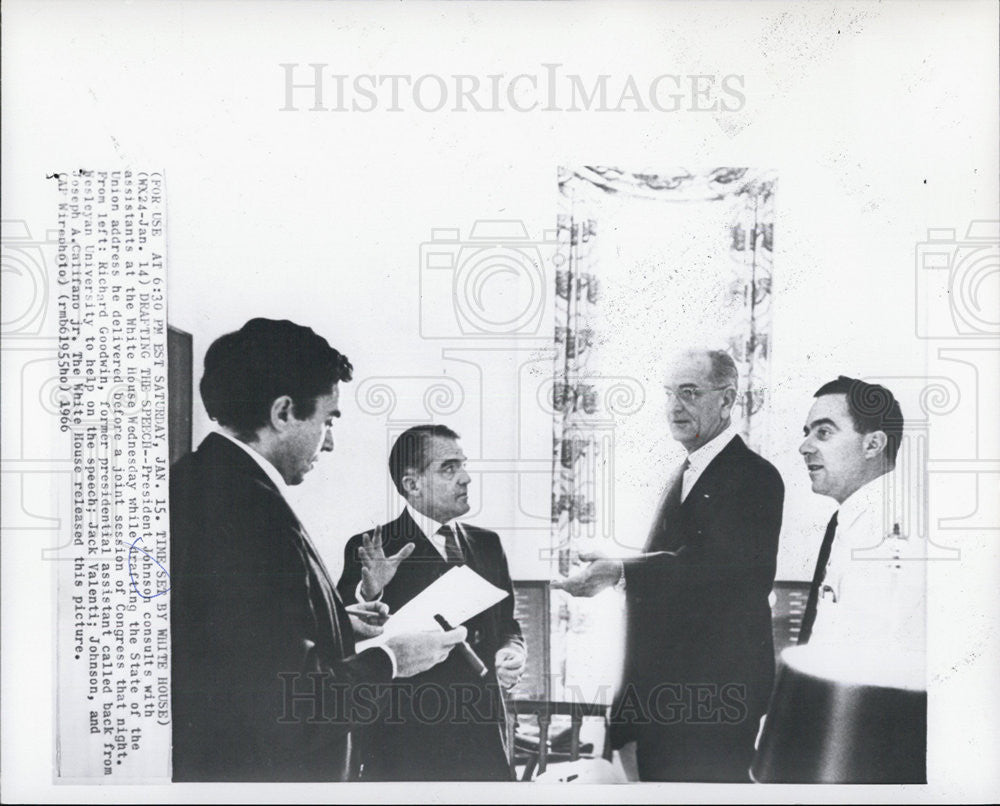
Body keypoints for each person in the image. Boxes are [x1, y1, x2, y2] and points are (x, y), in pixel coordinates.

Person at [170, 319, 466, 782]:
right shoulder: (247, 511)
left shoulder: (204, 480)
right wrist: (393, 659)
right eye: (328, 420)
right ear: (284, 412)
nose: (329, 441)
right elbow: (293, 703)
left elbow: (238, 640)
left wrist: (334, 622)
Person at [552, 349, 784, 782]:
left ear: (727, 399)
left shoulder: (755, 477)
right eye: (669, 393)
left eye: (690, 393)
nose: (675, 407)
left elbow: (715, 571)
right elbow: (674, 572)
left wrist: (619, 570)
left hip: (713, 703)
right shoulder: (688, 471)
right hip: (666, 701)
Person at [337, 424, 525, 781]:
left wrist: (512, 651)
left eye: (464, 466)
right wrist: (370, 592)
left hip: (485, 737)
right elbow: (346, 637)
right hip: (408, 742)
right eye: (449, 468)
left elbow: (507, 625)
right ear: (412, 484)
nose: (466, 478)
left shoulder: (488, 545)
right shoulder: (373, 547)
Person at [797, 376, 925, 652]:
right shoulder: (856, 518)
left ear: (873, 445)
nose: (804, 447)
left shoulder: (892, 531)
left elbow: (866, 662)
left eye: (823, 433)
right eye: (806, 432)